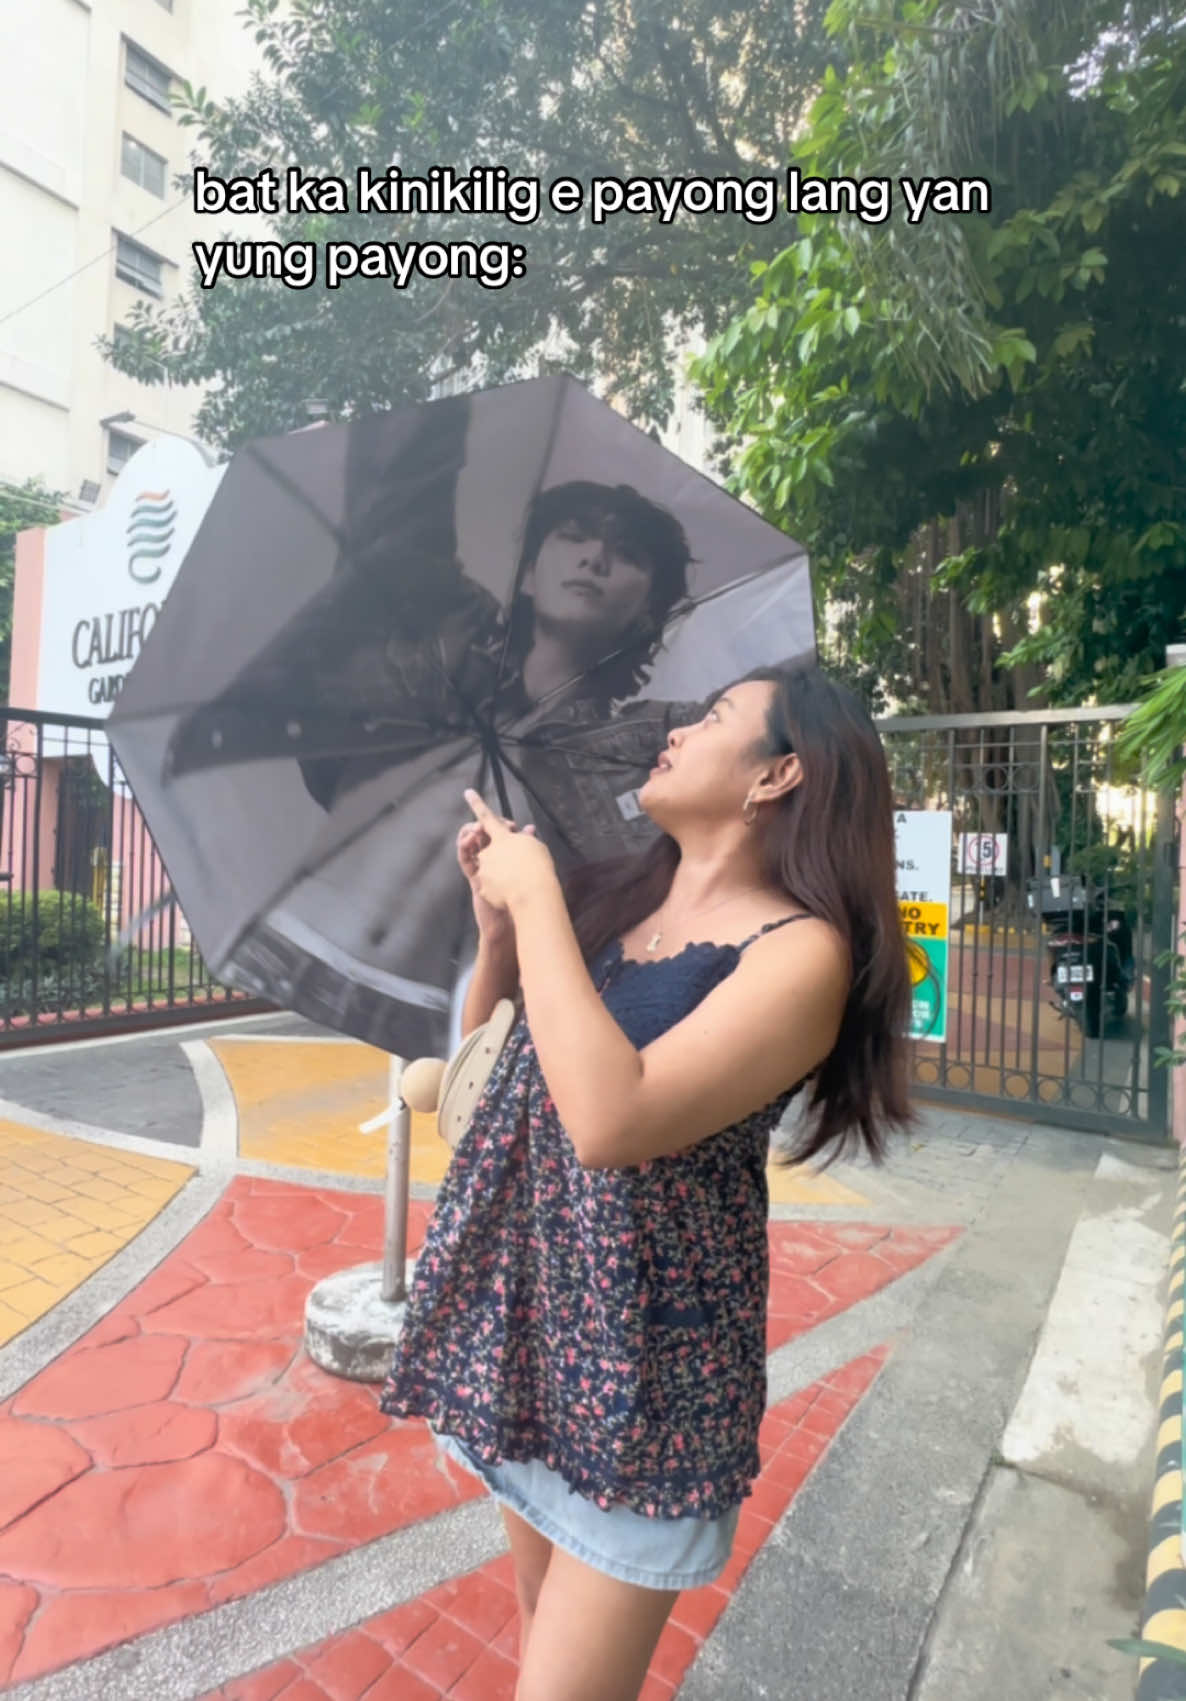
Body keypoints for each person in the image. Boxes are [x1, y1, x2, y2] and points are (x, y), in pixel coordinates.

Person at [378, 663, 915, 1701]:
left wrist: (535, 899)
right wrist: (500, 936)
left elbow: (611, 1120)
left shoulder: (797, 955)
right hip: (538, 1345)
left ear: (778, 775)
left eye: (713, 718)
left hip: (648, 1385)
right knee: (540, 1636)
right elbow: (492, 1101)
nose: (676, 730)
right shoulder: (617, 907)